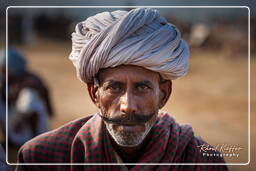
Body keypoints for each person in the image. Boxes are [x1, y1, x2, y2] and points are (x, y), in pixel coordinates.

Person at [16, 8, 228, 170]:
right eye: (114, 87)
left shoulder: (202, 161)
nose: (128, 106)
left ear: (163, 94)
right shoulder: (41, 158)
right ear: (94, 94)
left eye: (142, 87)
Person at [0, 48, 53, 146]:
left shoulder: (30, 85)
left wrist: (16, 122)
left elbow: (31, 109)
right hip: (16, 129)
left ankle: (34, 141)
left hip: (26, 135)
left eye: (3, 69)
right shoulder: (9, 81)